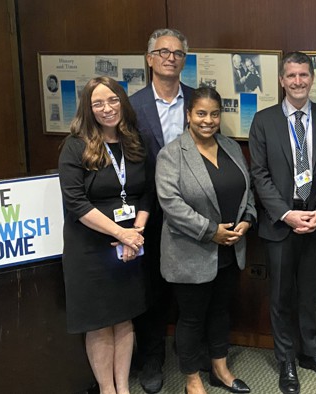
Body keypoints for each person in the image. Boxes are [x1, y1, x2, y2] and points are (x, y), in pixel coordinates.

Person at [248, 51, 316, 394]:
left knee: (311, 293)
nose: (298, 82)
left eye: (304, 75)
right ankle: (286, 360)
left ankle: (311, 353)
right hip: (280, 222)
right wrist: (286, 214)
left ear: (312, 78)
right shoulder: (263, 120)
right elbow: (259, 174)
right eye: (291, 76)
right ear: (281, 80)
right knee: (280, 296)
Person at [155, 87, 255, 394]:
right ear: (188, 115)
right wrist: (211, 230)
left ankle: (220, 370)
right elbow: (171, 204)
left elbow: (247, 191)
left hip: (229, 249)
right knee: (192, 318)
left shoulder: (230, 147)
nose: (208, 120)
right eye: (201, 113)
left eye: (214, 114)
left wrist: (247, 220)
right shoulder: (172, 153)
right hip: (191, 251)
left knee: (221, 312)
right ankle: (191, 379)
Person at [58, 76, 151, 394]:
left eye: (112, 100)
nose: (107, 108)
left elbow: (147, 193)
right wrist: (121, 234)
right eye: (98, 103)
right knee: (99, 324)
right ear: (88, 108)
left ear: (122, 102)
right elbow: (75, 202)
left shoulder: (134, 141)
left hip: (128, 246)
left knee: (124, 320)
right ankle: (106, 390)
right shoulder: (75, 146)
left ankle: (123, 388)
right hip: (89, 248)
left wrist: (135, 234)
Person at [128, 28, 195, 393]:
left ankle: (192, 361)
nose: (171, 57)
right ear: (150, 58)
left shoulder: (197, 102)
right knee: (151, 290)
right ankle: (152, 359)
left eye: (178, 53)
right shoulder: (132, 106)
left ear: (185, 60)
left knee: (191, 289)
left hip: (192, 211)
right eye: (163, 51)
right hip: (148, 213)